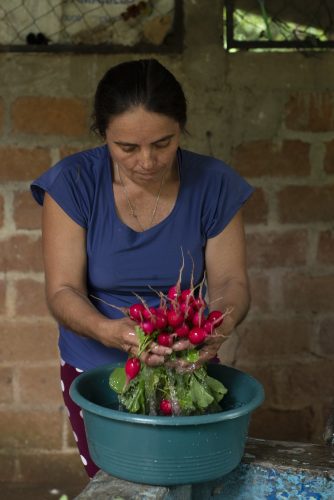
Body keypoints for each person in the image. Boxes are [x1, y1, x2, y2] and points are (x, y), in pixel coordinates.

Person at [31, 58, 254, 478]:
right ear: (103, 135)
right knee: (115, 482)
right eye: (127, 148)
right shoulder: (74, 184)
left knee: (191, 479)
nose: (147, 161)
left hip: (187, 362)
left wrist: (220, 323)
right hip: (95, 366)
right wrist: (110, 332)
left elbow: (230, 281)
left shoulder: (214, 183)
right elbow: (63, 291)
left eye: (163, 143)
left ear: (181, 128)